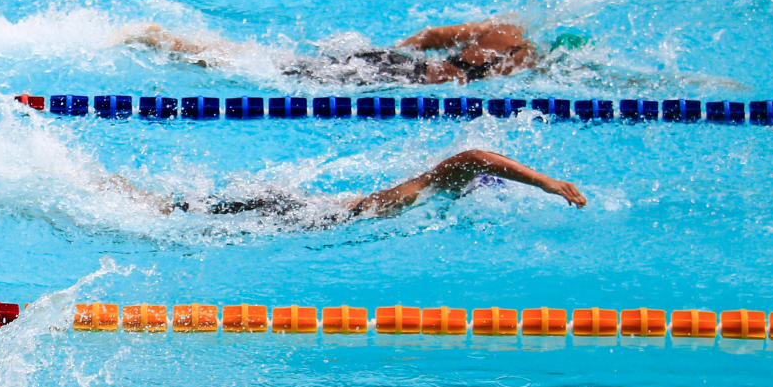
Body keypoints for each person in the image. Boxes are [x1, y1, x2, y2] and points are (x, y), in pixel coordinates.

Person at [113, 150, 584, 228]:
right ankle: (136, 199)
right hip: (300, 213)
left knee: (188, 212)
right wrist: (545, 182)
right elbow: (472, 157)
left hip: (302, 210)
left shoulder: (427, 197)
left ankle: (142, 199)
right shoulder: (427, 188)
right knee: (176, 215)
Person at [125, 20, 585, 85]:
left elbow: (427, 36)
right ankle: (171, 43)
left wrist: (390, 53)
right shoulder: (528, 58)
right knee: (285, 73)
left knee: (289, 66)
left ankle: (177, 42)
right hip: (402, 78)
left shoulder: (503, 28)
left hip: (396, 64)